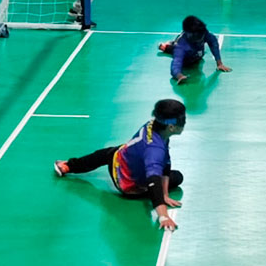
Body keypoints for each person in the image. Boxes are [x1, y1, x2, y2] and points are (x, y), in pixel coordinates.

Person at [54, 99, 188, 231]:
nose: (185, 121)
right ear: (171, 127)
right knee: (109, 154)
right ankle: (69, 166)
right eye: (182, 119)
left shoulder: (155, 126)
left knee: (176, 177)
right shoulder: (154, 151)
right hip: (127, 183)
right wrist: (163, 216)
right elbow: (153, 182)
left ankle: (68, 166)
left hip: (127, 159)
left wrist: (164, 194)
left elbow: (165, 163)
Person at [158, 15, 232, 83]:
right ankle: (166, 46)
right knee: (174, 49)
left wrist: (219, 63)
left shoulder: (204, 32)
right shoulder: (181, 45)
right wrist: (179, 75)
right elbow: (175, 64)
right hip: (186, 58)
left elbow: (213, 43)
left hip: (198, 55)